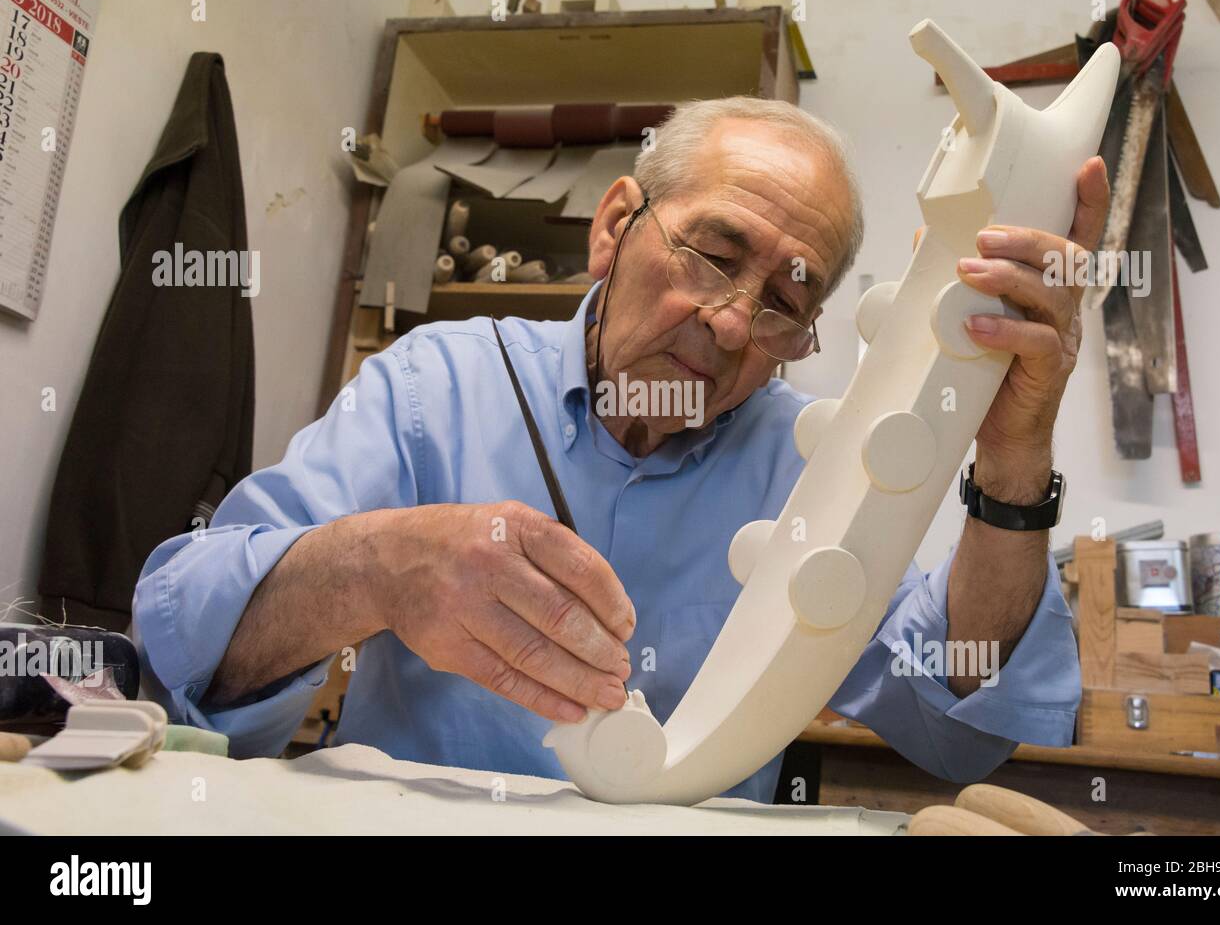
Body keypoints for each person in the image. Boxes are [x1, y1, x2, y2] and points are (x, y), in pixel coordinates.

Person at [133, 97, 1109, 803]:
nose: (730, 324)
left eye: (781, 300)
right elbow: (187, 642)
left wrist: (1011, 457)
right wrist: (378, 568)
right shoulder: (434, 386)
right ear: (613, 227)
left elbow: (956, 718)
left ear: (808, 335)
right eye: (713, 255)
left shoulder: (808, 465)